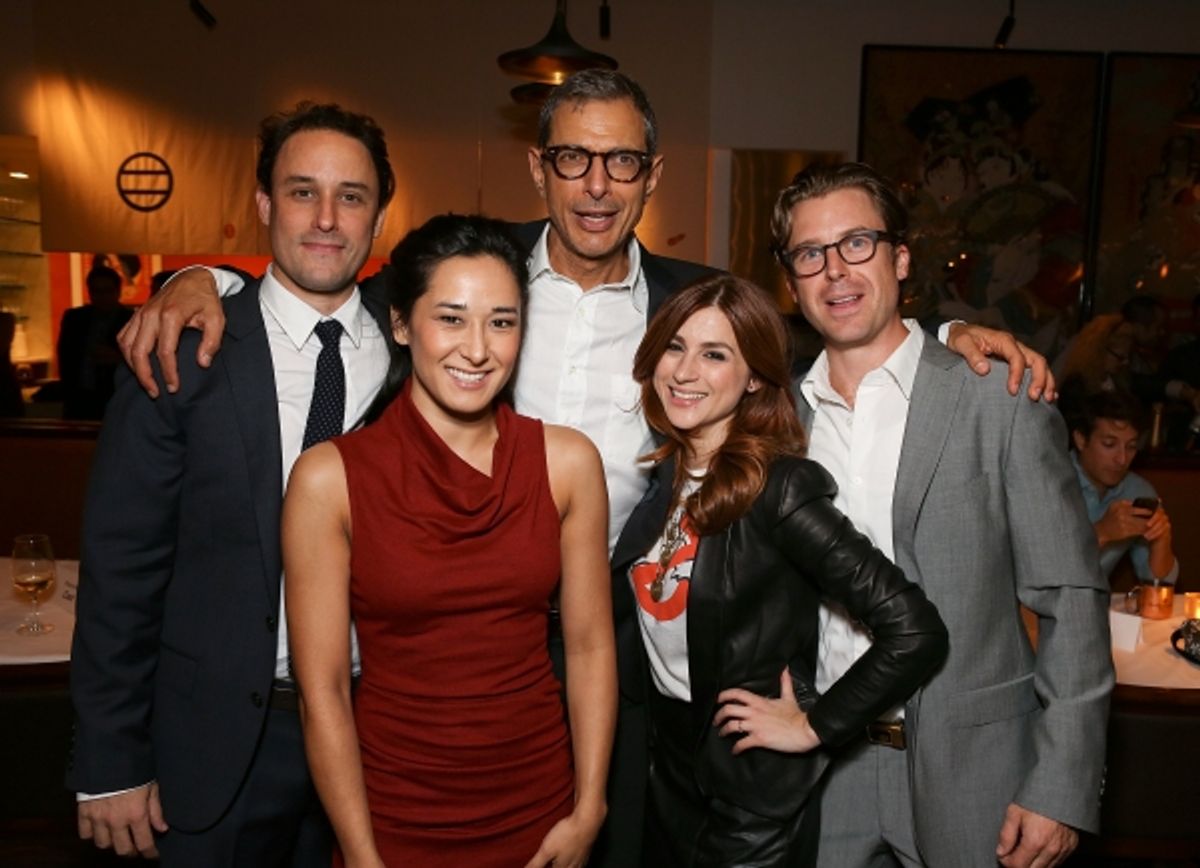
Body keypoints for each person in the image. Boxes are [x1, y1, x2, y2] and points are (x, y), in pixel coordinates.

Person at [111, 71, 1054, 866]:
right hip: (450, 638)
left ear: (651, 176)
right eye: (572, 158)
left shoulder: (692, 305)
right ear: (539, 167)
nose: (596, 186)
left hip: (630, 639)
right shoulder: (482, 274)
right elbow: (332, 283)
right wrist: (204, 280)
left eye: (621, 162)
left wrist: (941, 332)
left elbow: (819, 350)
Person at [68, 102, 395, 865]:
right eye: (300, 191)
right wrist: (110, 761)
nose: (325, 218)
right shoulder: (180, 350)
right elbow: (122, 567)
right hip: (211, 743)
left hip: (372, 736)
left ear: (378, 215)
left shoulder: (419, 348)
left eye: (351, 196)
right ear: (262, 205)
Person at [770, 162, 1113, 868]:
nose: (835, 271)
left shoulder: (998, 398)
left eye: (857, 243)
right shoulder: (775, 421)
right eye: (811, 254)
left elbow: (1071, 599)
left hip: (977, 773)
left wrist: (1060, 784)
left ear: (900, 259)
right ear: (793, 278)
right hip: (820, 767)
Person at [283, 213, 617, 866]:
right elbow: (319, 688)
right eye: (452, 318)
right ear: (403, 324)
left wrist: (590, 808)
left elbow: (588, 646)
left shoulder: (567, 463)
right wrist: (359, 852)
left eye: (502, 320)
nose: (478, 348)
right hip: (393, 814)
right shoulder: (330, 479)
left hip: (539, 811)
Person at [610, 274, 947, 865]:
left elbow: (914, 628)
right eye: (675, 346)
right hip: (666, 776)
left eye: (715, 355)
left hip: (749, 797)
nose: (685, 372)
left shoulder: (779, 489)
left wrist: (816, 726)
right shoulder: (661, 480)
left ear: (757, 378)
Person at [1067, 389, 1178, 585]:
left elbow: (1157, 584)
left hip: (1096, 609)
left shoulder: (1136, 491)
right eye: (1109, 444)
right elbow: (1034, 573)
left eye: (1131, 446)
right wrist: (1101, 533)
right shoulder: (1049, 483)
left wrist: (1161, 541)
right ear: (1081, 439)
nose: (1122, 459)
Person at [57, 264, 134, 419]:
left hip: (115, 397)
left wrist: (117, 358)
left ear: (118, 292)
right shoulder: (74, 318)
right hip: (79, 397)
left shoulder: (131, 319)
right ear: (90, 293)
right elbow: (65, 355)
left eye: (107, 291)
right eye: (96, 291)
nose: (102, 297)